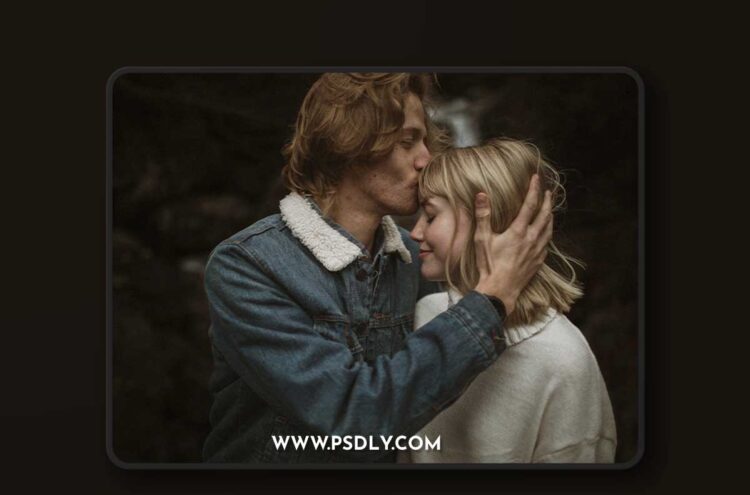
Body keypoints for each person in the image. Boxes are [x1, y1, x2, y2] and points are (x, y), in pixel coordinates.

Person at [202, 74, 553, 463]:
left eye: (424, 141)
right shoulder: (247, 267)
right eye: (407, 141)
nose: (426, 159)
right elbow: (355, 417)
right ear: (349, 141)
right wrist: (490, 299)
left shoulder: (415, 258)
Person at [402, 138, 617, 463]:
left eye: (430, 216)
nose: (415, 232)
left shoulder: (564, 360)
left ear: (488, 222)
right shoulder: (427, 313)